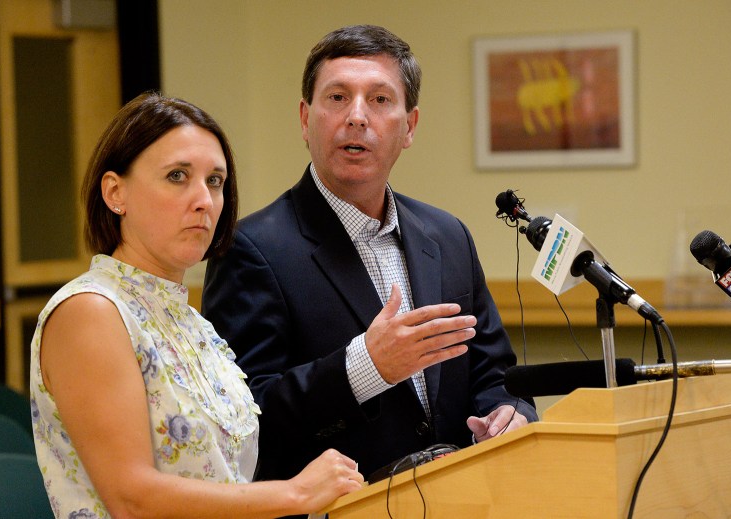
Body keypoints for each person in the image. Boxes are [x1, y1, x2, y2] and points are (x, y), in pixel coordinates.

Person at [202, 25, 538, 486]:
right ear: (305, 119)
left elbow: (494, 373)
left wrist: (509, 414)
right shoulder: (253, 247)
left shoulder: (448, 235)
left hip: (463, 499)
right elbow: (243, 420)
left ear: (409, 127)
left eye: (379, 100)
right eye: (337, 97)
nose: (357, 117)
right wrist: (365, 368)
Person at [29, 92, 363, 519]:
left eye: (215, 181)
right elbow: (132, 499)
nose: (204, 200)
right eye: (176, 176)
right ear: (116, 192)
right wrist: (295, 494)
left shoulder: (190, 320)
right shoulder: (90, 310)